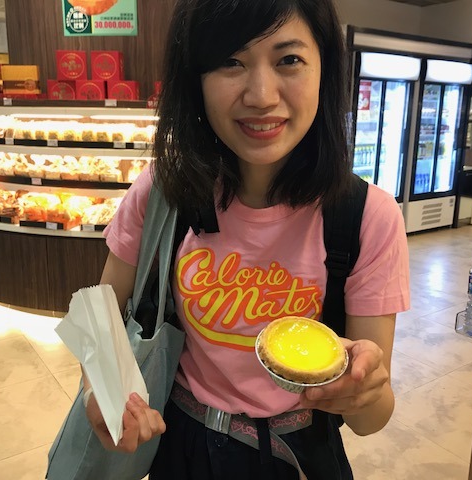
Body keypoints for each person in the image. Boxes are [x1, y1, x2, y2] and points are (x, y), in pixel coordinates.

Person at [83, 0, 410, 478]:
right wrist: (101, 391)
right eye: (230, 61)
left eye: (289, 59)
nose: (260, 96)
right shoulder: (163, 191)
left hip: (299, 454)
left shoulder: (367, 216)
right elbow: (103, 310)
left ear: (325, 69)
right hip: (182, 446)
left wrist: (365, 391)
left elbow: (369, 421)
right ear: (195, 77)